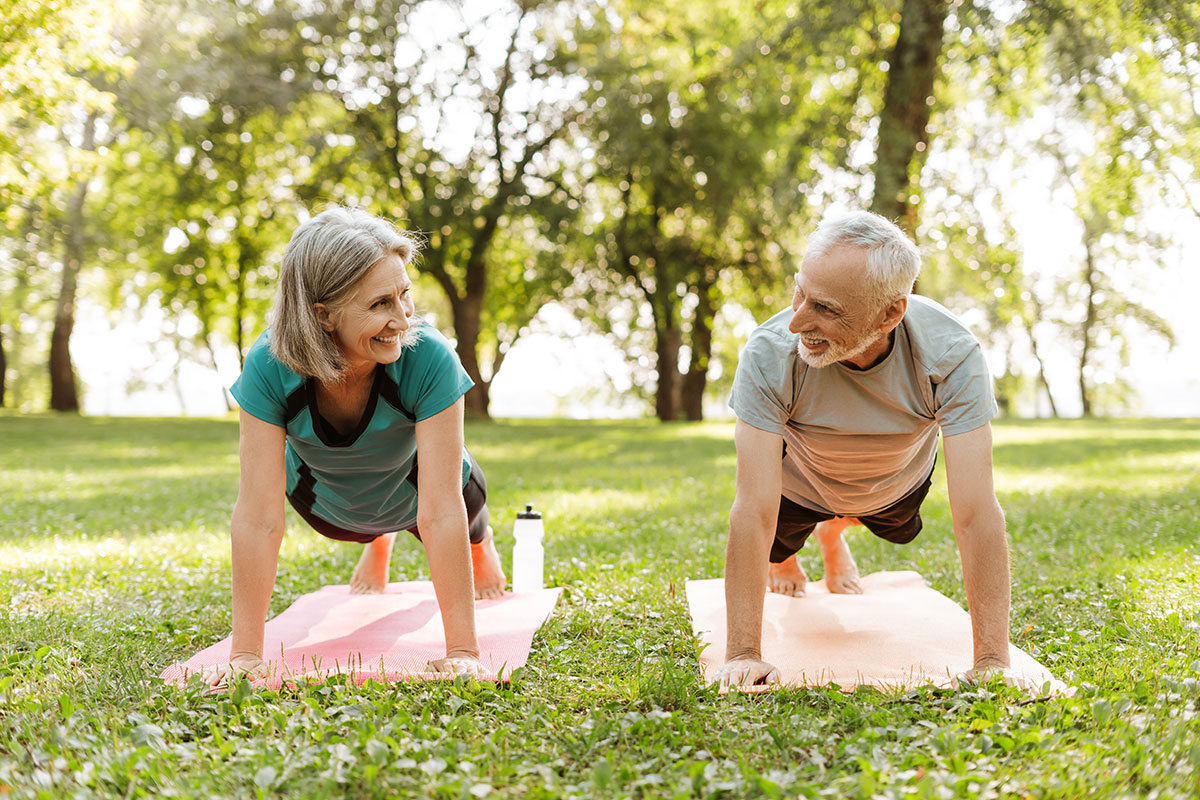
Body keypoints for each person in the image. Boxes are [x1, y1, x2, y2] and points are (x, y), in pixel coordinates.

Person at [715, 210, 1034, 690]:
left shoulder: (950, 355)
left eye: (825, 308)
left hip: (893, 487)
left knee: (895, 528)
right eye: (799, 290)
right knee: (774, 542)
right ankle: (798, 548)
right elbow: (753, 510)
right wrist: (743, 654)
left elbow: (976, 513)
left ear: (890, 313)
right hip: (799, 489)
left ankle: (833, 533)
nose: (798, 321)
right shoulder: (769, 351)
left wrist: (992, 661)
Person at [203, 207, 506, 687]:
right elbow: (259, 516)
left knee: (465, 498)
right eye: (380, 304)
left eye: (405, 295)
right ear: (322, 315)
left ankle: (481, 543)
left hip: (412, 493)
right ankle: (377, 540)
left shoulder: (428, 355)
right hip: (327, 503)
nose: (403, 319)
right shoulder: (268, 364)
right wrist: (244, 656)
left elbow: (442, 509)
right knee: (359, 526)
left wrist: (463, 651)